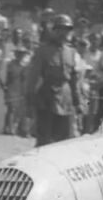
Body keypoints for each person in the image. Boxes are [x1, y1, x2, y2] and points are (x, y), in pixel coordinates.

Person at [26, 14, 82, 147]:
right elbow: (32, 78)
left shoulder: (72, 52)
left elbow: (74, 79)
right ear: (54, 31)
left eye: (66, 30)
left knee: (62, 140)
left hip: (66, 99)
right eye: (60, 29)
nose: (63, 33)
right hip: (46, 98)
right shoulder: (43, 51)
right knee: (44, 139)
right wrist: (29, 101)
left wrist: (78, 102)